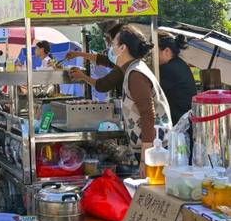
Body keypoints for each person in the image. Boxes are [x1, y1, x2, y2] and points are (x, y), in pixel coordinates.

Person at [111, 25, 172, 177]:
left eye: (113, 45)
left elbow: (148, 116)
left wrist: (145, 159)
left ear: (123, 48)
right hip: (154, 147)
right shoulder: (134, 69)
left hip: (156, 150)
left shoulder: (136, 74)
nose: (110, 49)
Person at [67, 23, 124, 94]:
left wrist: (83, 76)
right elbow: (104, 59)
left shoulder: (123, 67)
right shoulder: (122, 60)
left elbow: (102, 85)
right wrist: (78, 54)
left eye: (112, 44)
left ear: (122, 45)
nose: (109, 47)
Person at [158, 32, 197, 125]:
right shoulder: (179, 64)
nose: (151, 55)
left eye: (155, 51)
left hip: (179, 126)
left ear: (167, 51)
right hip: (185, 122)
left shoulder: (168, 69)